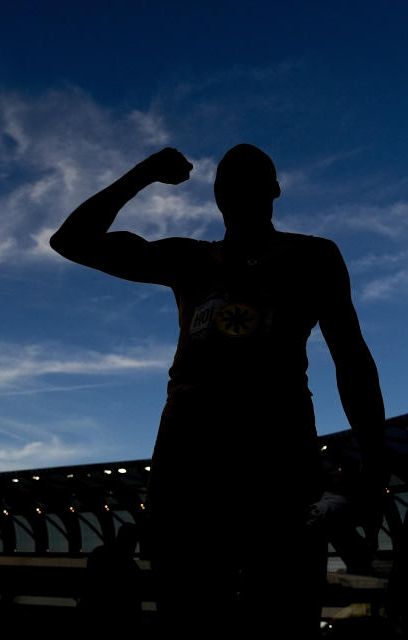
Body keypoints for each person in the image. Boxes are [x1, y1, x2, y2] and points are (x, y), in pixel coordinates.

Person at [50, 144, 386, 632]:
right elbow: (72, 240)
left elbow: (351, 356)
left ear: (274, 191)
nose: (241, 188)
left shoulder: (313, 256)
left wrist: (375, 462)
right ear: (217, 196)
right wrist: (142, 174)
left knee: (283, 611)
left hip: (278, 454)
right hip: (190, 459)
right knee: (189, 612)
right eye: (230, 180)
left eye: (252, 179)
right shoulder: (189, 259)